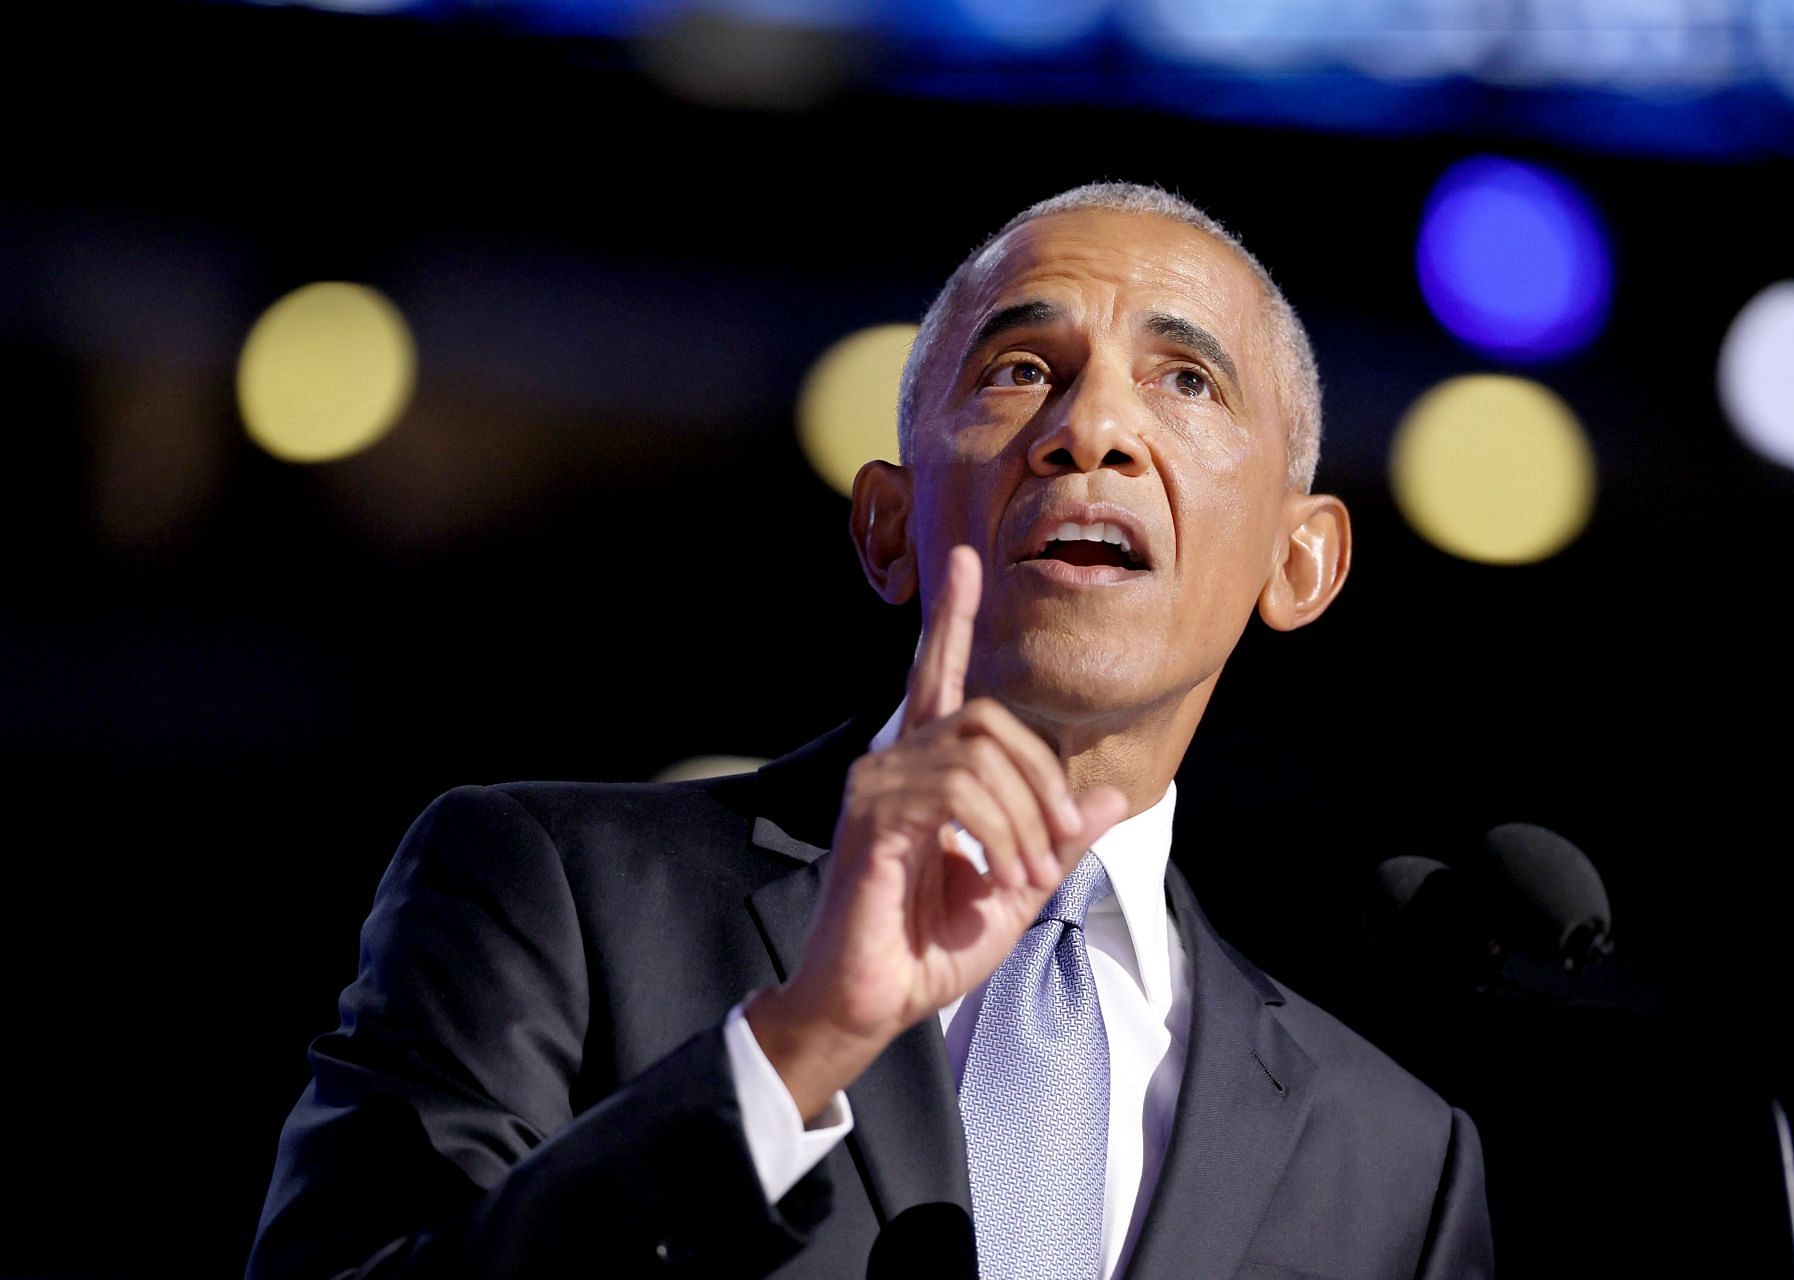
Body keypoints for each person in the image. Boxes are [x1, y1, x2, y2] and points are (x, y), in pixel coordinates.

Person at [248, 182, 1493, 1279]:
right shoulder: (551, 886)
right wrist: (805, 1040)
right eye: (1020, 370)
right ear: (887, 528)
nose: (1093, 429)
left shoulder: (1395, 1159)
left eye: (1187, 379)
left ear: (1303, 560)